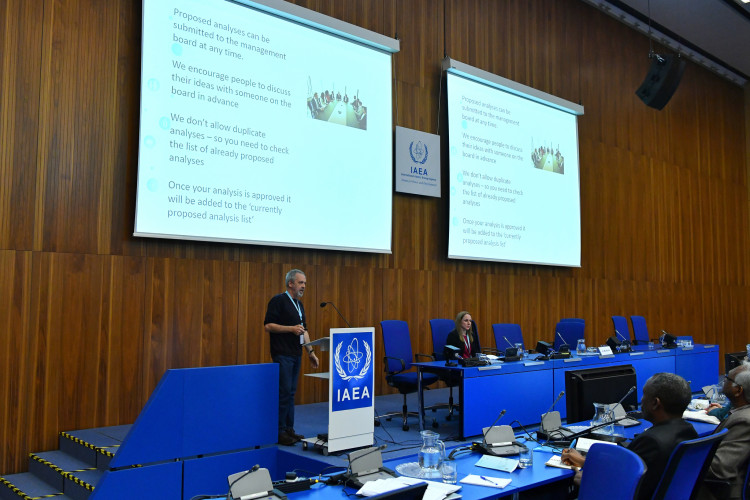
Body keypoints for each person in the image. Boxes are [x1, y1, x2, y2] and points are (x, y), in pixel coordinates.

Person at [561, 372, 697, 500]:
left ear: (655, 403)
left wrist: (588, 479)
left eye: (644, 395)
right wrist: (584, 461)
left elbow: (621, 484)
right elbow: (625, 468)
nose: (641, 400)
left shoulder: (651, 441)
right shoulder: (689, 431)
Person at [264, 269, 319, 446]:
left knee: (291, 393)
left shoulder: (299, 305)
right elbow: (268, 326)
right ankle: (279, 431)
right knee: (284, 393)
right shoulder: (278, 301)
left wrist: (310, 352)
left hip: (296, 354)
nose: (304, 286)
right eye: (301, 282)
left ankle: (289, 429)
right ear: (290, 283)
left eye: (305, 283)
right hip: (282, 354)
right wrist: (290, 329)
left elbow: (304, 331)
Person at [697, 361, 750, 499]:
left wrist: (683, 459)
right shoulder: (741, 412)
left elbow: (720, 468)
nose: (723, 381)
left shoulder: (744, 421)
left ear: (738, 390)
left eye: (727, 378)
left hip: (720, 492)